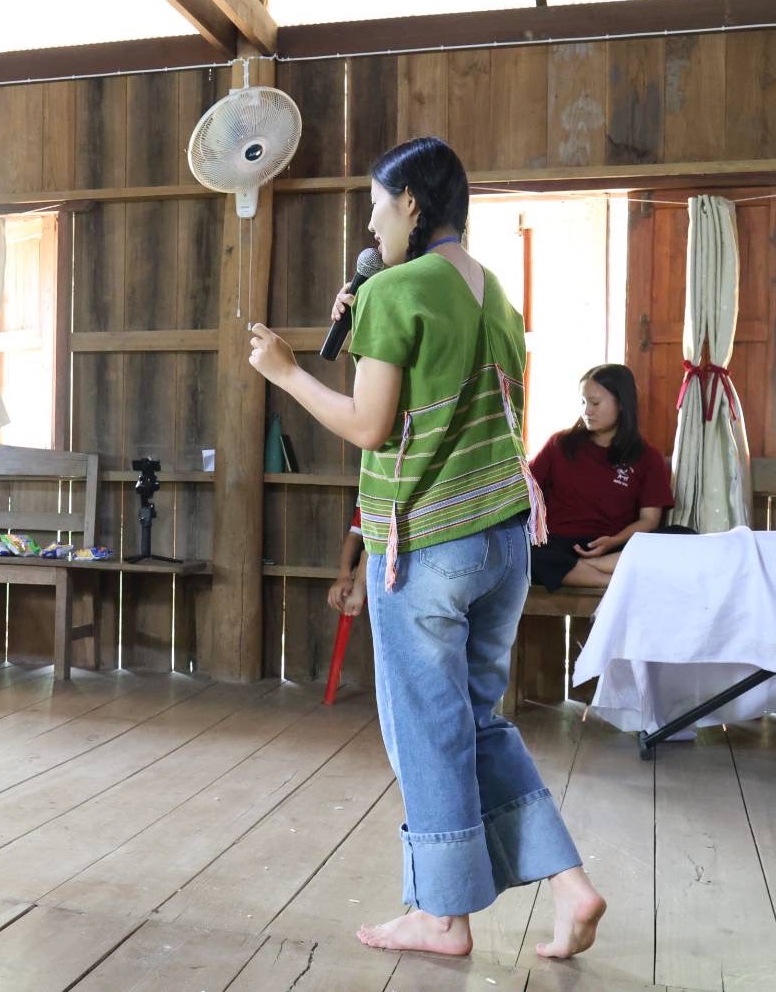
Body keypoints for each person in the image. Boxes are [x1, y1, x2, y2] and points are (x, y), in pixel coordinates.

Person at [246, 137, 605, 959]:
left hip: (429, 544)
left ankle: (441, 916)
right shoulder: (493, 292)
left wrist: (286, 372)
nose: (371, 225)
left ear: (409, 202)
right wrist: (366, 310)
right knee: (474, 722)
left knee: (426, 729)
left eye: (377, 206)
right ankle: (568, 883)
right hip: (503, 540)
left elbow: (367, 426)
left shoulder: (394, 288)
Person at [528, 364, 675, 591]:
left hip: (614, 545)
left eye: (595, 403)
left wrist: (614, 541)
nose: (587, 411)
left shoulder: (647, 457)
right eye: (583, 402)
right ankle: (612, 581)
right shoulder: (560, 444)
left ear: (622, 403)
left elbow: (649, 520)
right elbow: (526, 491)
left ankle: (586, 568)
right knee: (528, 554)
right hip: (560, 545)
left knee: (682, 537)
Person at [326, 506, 367, 619]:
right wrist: (344, 575)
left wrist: (360, 586)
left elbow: (379, 544)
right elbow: (355, 534)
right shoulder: (365, 497)